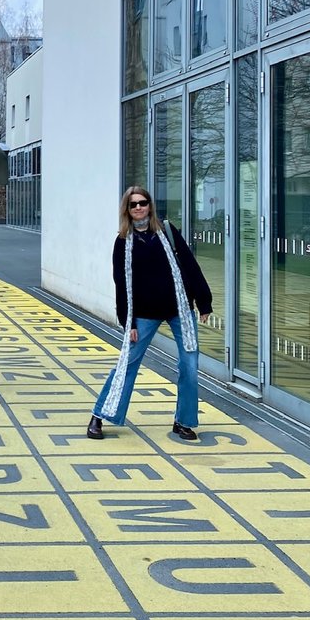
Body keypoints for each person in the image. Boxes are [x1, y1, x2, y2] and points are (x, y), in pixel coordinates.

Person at [88, 184, 213, 442]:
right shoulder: (122, 242)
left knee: (189, 366)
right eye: (133, 204)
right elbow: (121, 284)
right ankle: (99, 415)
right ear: (127, 209)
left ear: (149, 205)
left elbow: (189, 264)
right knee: (128, 363)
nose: (138, 208)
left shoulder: (167, 231)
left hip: (180, 309)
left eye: (142, 203)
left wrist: (204, 301)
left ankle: (184, 421)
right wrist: (128, 322)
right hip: (143, 313)